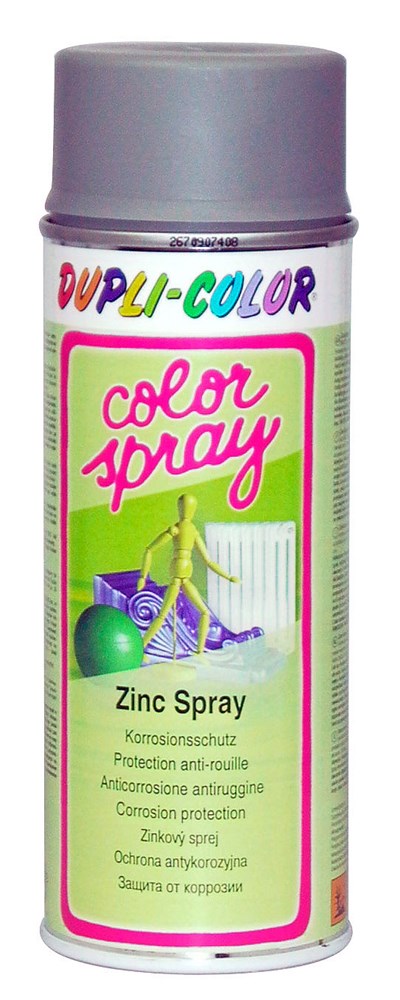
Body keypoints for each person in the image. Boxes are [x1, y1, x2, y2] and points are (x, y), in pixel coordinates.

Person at [137, 493, 239, 654]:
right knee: (163, 614)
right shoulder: (176, 529)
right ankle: (141, 647)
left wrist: (228, 577)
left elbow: (208, 561)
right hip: (176, 577)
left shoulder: (192, 531)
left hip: (185, 577)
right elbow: (150, 549)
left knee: (204, 612)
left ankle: (199, 651)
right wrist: (143, 576)